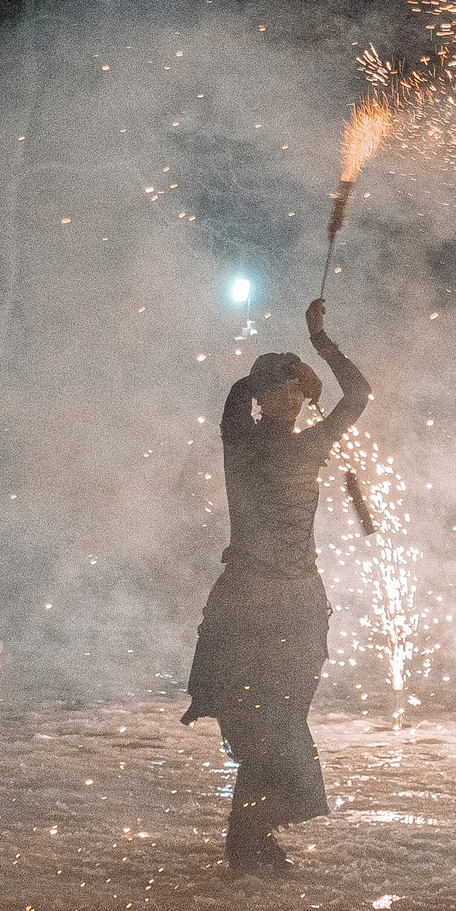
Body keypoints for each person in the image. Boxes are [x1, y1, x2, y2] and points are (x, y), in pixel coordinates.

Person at [182, 297, 368, 873]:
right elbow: (237, 397)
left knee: (283, 719)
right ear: (261, 398)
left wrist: (320, 341)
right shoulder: (239, 443)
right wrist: (281, 366)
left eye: (296, 390)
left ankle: (251, 838)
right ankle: (247, 841)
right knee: (261, 723)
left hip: (296, 604)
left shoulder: (309, 446)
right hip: (246, 602)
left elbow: (358, 395)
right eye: (278, 389)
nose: (290, 398)